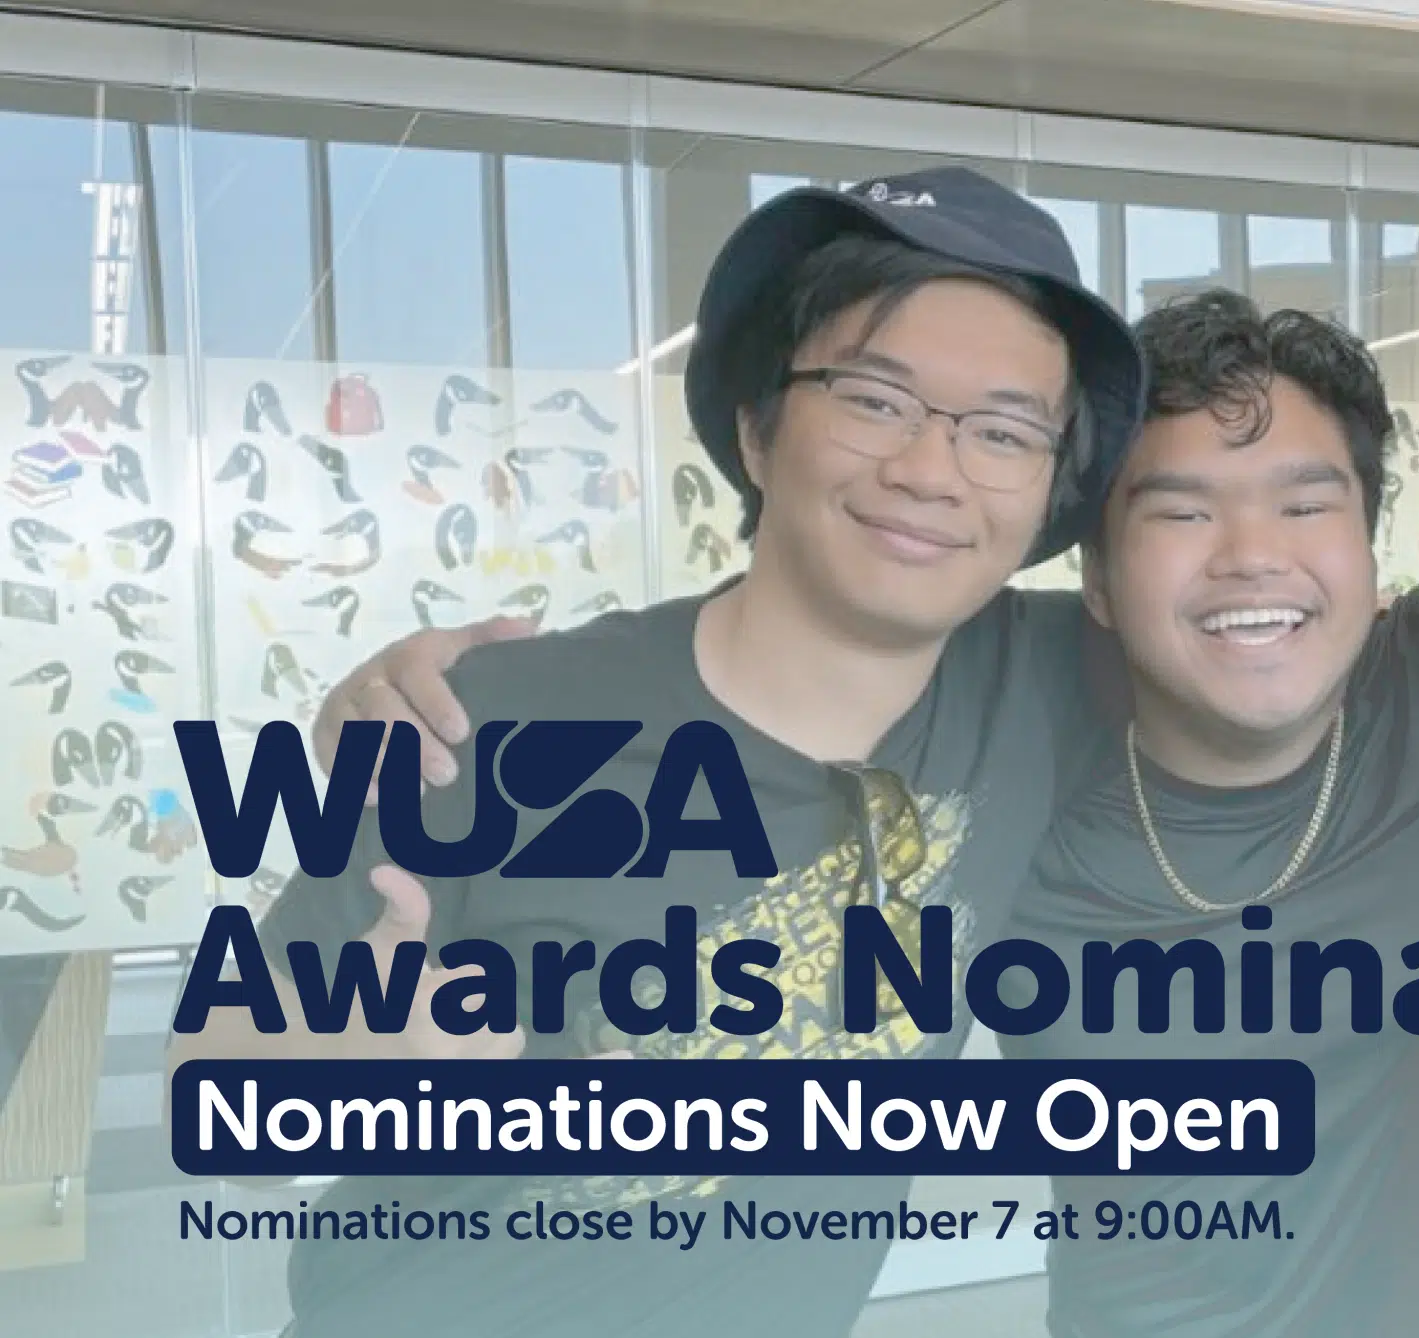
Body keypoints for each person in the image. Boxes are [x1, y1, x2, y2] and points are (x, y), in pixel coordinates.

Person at [309, 285, 1419, 1335]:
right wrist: (436, 689)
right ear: (1098, 578)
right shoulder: (1004, 705)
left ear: (1373, 542)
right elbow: (800, 621)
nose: (1250, 560)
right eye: (1176, 511)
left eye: (1305, 503)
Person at [164, 165, 1145, 1338]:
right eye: (874, 400)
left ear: (1047, 494)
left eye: (1000, 431)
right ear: (756, 428)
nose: (930, 472)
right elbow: (205, 1086)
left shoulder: (1046, 685)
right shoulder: (491, 722)